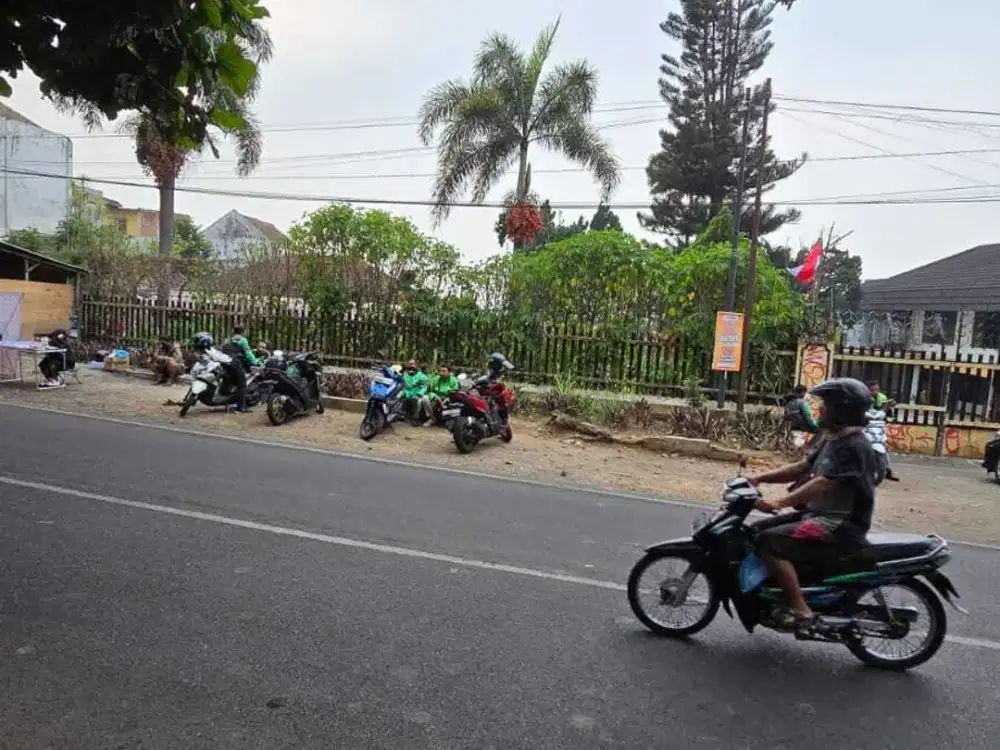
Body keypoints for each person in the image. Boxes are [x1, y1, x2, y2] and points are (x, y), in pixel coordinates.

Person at [746, 377, 877, 630]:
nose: (819, 409)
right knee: (755, 531)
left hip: (839, 525)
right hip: (820, 515)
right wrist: (757, 478)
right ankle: (788, 589)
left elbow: (823, 483)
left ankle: (800, 607)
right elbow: (802, 468)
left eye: (825, 405)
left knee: (768, 543)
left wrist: (778, 502)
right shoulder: (833, 439)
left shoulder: (853, 446)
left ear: (842, 410)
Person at [193, 331, 249, 413]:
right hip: (227, 365)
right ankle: (227, 397)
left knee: (242, 385)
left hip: (232, 365)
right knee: (226, 380)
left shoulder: (210, 350)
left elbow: (217, 358)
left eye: (197, 340)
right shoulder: (207, 350)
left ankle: (241, 408)